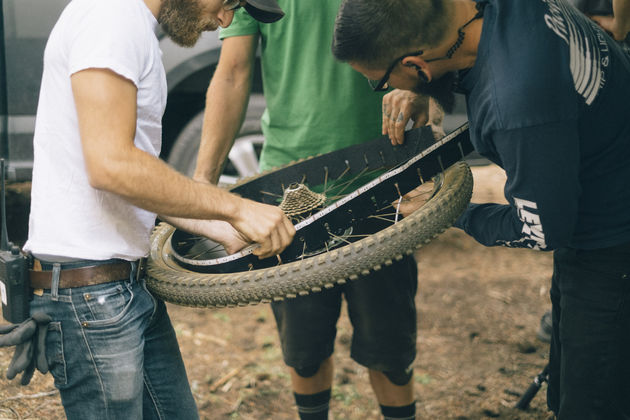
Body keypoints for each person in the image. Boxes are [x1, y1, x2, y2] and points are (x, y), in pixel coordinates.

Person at [331, 0, 630, 419]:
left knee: (591, 405)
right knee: (566, 389)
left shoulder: (515, 104)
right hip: (603, 180)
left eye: (379, 80)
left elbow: (544, 229)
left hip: (611, 246)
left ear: (417, 64)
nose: (383, 90)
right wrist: (422, 89)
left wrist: (450, 209)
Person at [5, 0, 294, 418]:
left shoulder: (132, 26)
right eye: (229, 1)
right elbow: (112, 165)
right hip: (90, 296)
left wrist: (220, 228)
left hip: (120, 286)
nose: (227, 19)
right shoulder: (111, 18)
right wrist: (236, 209)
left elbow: (135, 177)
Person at [193, 2, 442, 418]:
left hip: (382, 177)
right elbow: (234, 73)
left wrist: (421, 89)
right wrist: (203, 184)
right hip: (288, 192)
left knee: (391, 353)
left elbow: (437, 34)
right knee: (303, 352)